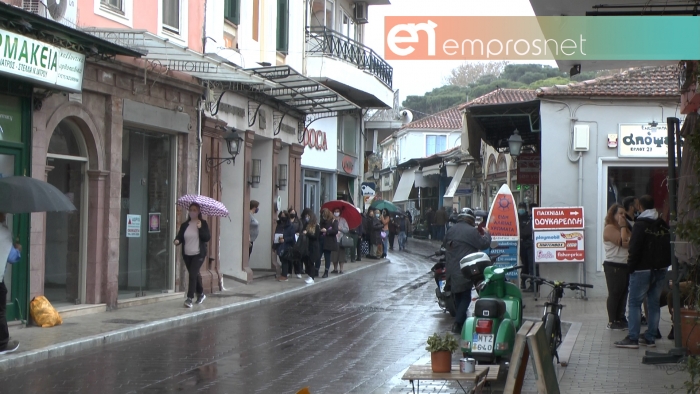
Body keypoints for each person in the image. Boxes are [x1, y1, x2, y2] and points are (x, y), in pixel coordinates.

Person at [615, 195, 672, 349]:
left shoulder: (641, 225)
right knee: (653, 303)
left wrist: (631, 267)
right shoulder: (661, 224)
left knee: (634, 303)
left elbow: (634, 248)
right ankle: (650, 337)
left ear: (639, 206)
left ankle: (633, 338)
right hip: (660, 269)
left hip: (641, 269)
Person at [443, 208, 491, 333]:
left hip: (452, 270)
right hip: (465, 269)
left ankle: (461, 323)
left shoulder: (450, 230)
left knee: (458, 296)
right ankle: (458, 323)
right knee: (465, 296)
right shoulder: (472, 231)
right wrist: (487, 233)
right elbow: (484, 244)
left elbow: (444, 244)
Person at [174, 203, 211, 308]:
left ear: (199, 212)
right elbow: (180, 236)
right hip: (187, 254)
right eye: (191, 210)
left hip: (198, 254)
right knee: (194, 275)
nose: (192, 212)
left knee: (192, 274)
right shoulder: (185, 225)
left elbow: (207, 237)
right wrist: (176, 240)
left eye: (195, 210)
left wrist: (200, 228)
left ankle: (189, 298)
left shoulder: (202, 223)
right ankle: (201, 293)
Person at [603, 203, 631, 330]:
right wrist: (623, 226)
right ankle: (612, 320)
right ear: (613, 215)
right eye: (620, 213)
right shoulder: (609, 228)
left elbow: (632, 242)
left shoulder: (625, 227)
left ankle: (620, 317)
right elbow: (623, 243)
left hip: (625, 264)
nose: (622, 216)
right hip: (613, 265)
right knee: (615, 293)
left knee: (624, 293)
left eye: (624, 214)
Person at [0, 212, 20, 355]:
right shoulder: (4, 232)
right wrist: (17, 248)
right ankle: (2, 344)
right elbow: (12, 258)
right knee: (0, 312)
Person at [275, 210, 297, 282]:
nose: (282, 217)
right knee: (282, 259)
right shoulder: (279, 225)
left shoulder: (290, 226)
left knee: (285, 260)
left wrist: (285, 239)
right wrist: (274, 245)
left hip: (286, 245)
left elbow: (292, 237)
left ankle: (284, 275)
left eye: (284, 216)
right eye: (281, 215)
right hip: (279, 244)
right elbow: (276, 235)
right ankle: (284, 274)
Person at [518, 202, 534, 292]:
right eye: (519, 207)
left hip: (528, 244)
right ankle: (523, 281)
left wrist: (522, 235)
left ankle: (532, 283)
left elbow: (528, 231)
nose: (521, 209)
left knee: (530, 264)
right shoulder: (516, 218)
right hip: (521, 245)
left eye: (522, 208)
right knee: (523, 264)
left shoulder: (528, 218)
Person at [301, 210, 321, 284]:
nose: (307, 218)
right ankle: (309, 275)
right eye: (306, 216)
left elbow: (316, 236)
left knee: (311, 262)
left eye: (308, 216)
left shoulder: (317, 226)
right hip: (306, 246)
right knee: (307, 261)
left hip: (313, 247)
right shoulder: (306, 225)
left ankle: (312, 277)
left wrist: (307, 234)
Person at [320, 208, 338, 278]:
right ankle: (316, 270)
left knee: (327, 256)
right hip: (321, 240)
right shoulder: (322, 221)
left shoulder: (333, 221)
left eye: (324, 215)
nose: (323, 216)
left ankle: (326, 271)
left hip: (328, 241)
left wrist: (327, 231)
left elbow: (335, 231)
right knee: (318, 255)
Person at [288, 207, 303, 278]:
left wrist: (298, 233)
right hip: (289, 239)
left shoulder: (298, 221)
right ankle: (289, 271)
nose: (293, 214)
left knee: (297, 256)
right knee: (289, 256)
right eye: (291, 212)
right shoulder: (287, 221)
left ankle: (298, 272)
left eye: (294, 212)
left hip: (296, 240)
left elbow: (301, 229)